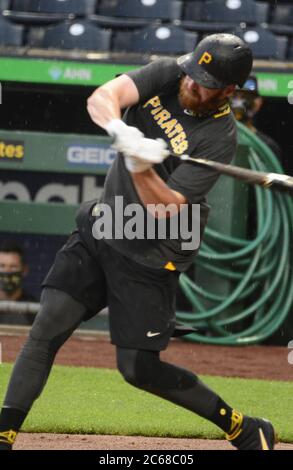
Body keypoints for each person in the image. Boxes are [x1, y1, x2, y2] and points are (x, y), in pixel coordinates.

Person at [0, 34, 276, 451]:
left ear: (228, 91)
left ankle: (241, 426)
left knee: (138, 369)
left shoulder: (220, 137)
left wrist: (140, 165)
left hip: (151, 253)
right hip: (103, 226)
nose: (190, 84)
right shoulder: (169, 74)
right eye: (191, 74)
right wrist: (119, 129)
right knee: (46, 331)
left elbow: (165, 209)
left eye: (203, 83)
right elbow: (103, 96)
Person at [231, 75, 282, 158]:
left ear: (258, 103)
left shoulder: (266, 147)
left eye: (245, 97)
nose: (238, 102)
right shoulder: (216, 138)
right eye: (234, 96)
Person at [0, 241, 36, 326]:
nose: (7, 271)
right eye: (2, 266)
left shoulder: (35, 309)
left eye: (13, 267)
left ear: (24, 270)